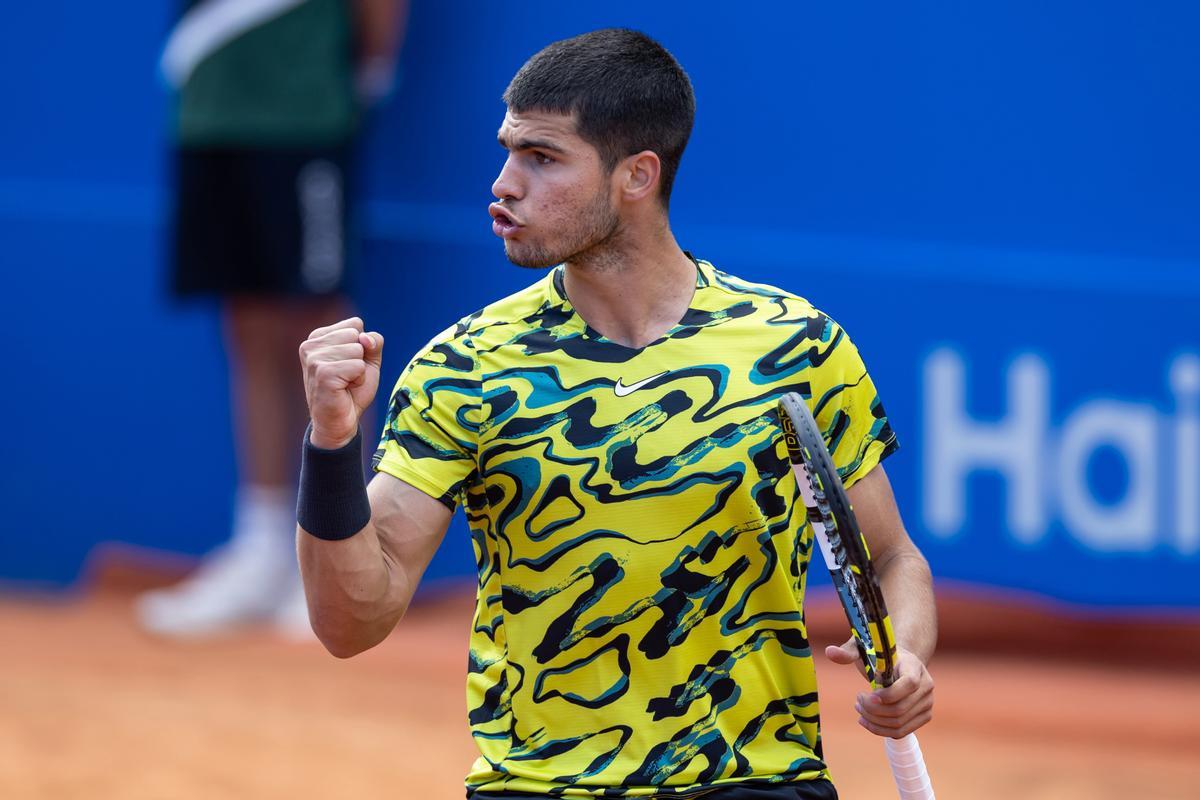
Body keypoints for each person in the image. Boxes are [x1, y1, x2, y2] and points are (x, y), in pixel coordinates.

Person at [297, 28, 936, 798]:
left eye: (542, 158)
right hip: (540, 787)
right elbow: (350, 621)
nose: (503, 184)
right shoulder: (463, 367)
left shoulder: (795, 346)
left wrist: (907, 655)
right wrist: (332, 444)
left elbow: (893, 559)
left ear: (637, 175)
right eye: (507, 152)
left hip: (755, 783)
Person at [137, 0, 407, 638]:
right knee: (247, 325)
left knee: (323, 332)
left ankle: (344, 558)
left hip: (302, 114)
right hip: (208, 116)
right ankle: (259, 552)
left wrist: (366, 75)